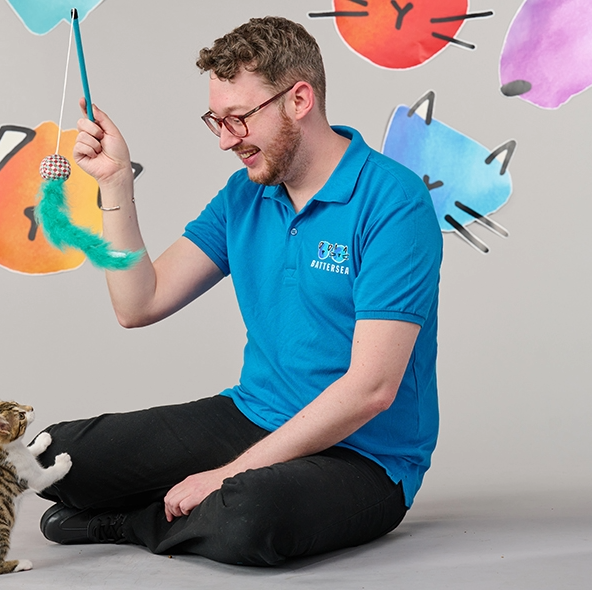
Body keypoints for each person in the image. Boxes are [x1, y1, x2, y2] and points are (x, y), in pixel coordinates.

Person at [34, 16, 443, 566]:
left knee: (248, 514)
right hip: (254, 415)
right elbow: (139, 304)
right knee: (51, 456)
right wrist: (116, 183)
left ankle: (135, 520)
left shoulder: (393, 203)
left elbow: (371, 389)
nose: (226, 140)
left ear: (299, 99)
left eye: (239, 119)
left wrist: (227, 477)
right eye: (215, 121)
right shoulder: (245, 195)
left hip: (365, 455)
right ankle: (195, 507)